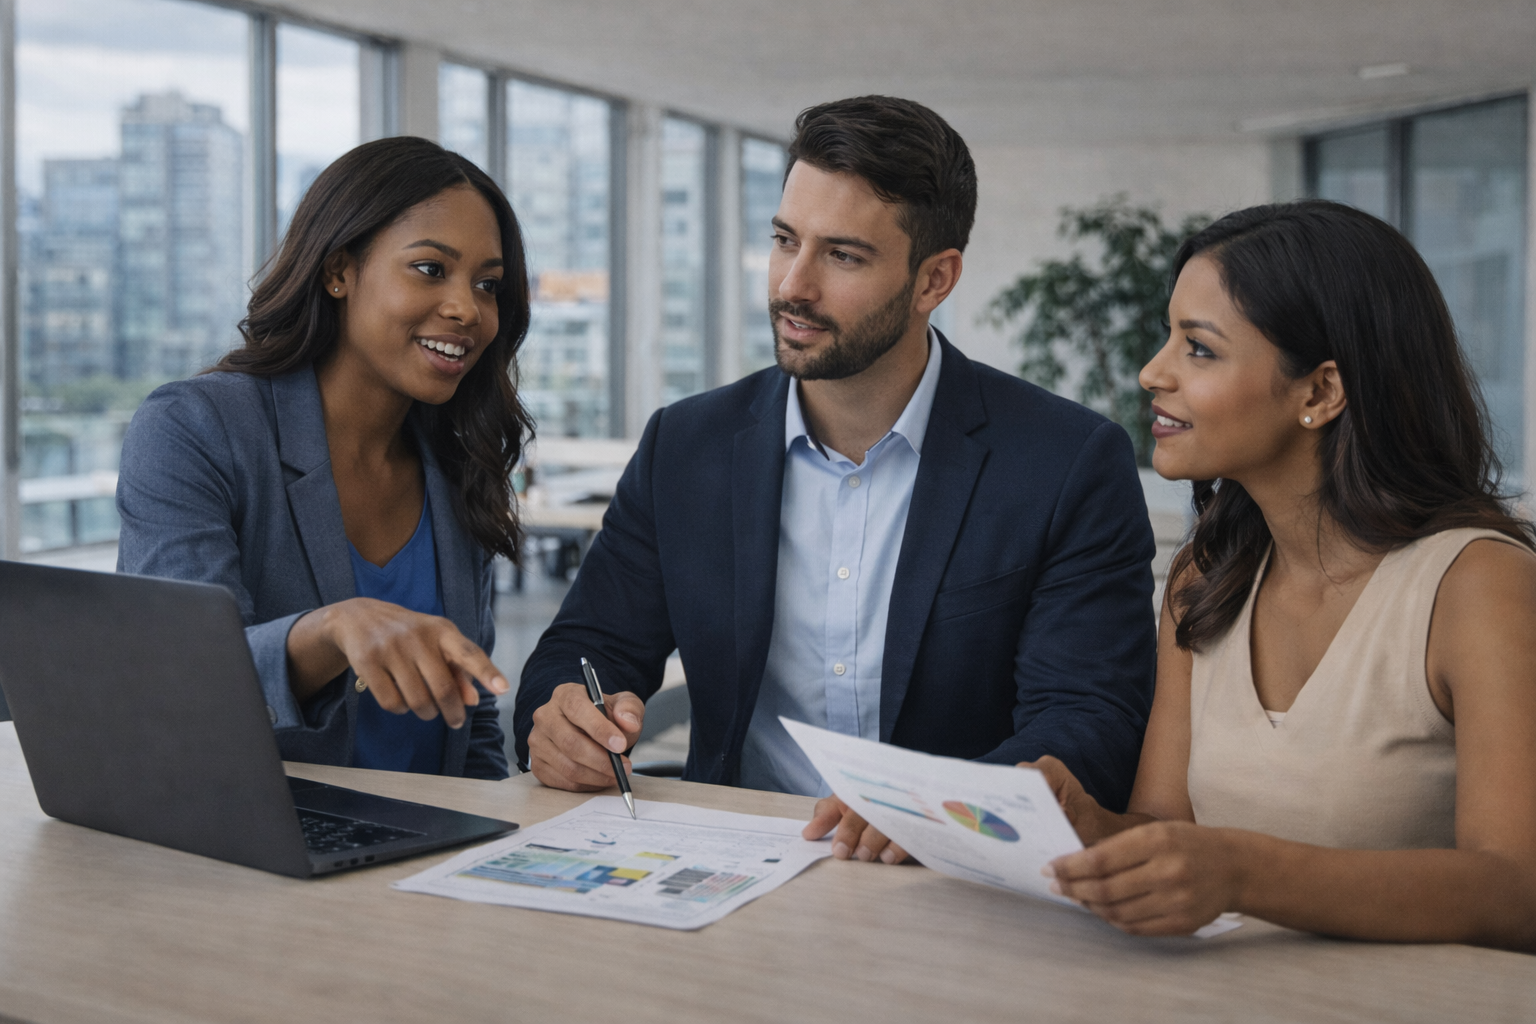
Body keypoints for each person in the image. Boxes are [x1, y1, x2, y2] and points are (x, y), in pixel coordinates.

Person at [515, 95, 1158, 862]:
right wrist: (564, 716)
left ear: (934, 280)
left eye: (843, 256)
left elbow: (1090, 718)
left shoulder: (1065, 461)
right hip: (727, 865)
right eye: (786, 240)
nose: (794, 285)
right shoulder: (686, 446)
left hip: (951, 880)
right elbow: (587, 646)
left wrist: (937, 812)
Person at [1034, 201, 1536, 951]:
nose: (1152, 373)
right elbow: (1170, 830)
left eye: (1199, 349)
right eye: (1169, 339)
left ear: (1320, 392)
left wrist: (1241, 870)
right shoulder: (1203, 579)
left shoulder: (1481, 586)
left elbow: (1517, 892)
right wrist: (1087, 826)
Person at [116, 137, 532, 779]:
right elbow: (177, 676)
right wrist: (330, 631)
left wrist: (491, 846)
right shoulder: (197, 427)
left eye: (488, 285)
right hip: (253, 848)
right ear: (338, 270)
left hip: (425, 853)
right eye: (430, 269)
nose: (466, 309)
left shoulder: (458, 463)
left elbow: (470, 724)